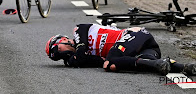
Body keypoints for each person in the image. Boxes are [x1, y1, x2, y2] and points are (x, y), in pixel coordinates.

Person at [46, 23, 196, 76]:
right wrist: (73, 61)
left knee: (110, 61)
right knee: (112, 64)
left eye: (58, 49)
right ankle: (184, 67)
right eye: (58, 57)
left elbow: (81, 50)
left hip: (135, 35)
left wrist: (76, 59)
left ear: (63, 39)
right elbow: (95, 61)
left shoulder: (78, 30)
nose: (61, 54)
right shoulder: (82, 56)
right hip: (146, 48)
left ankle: (158, 64)